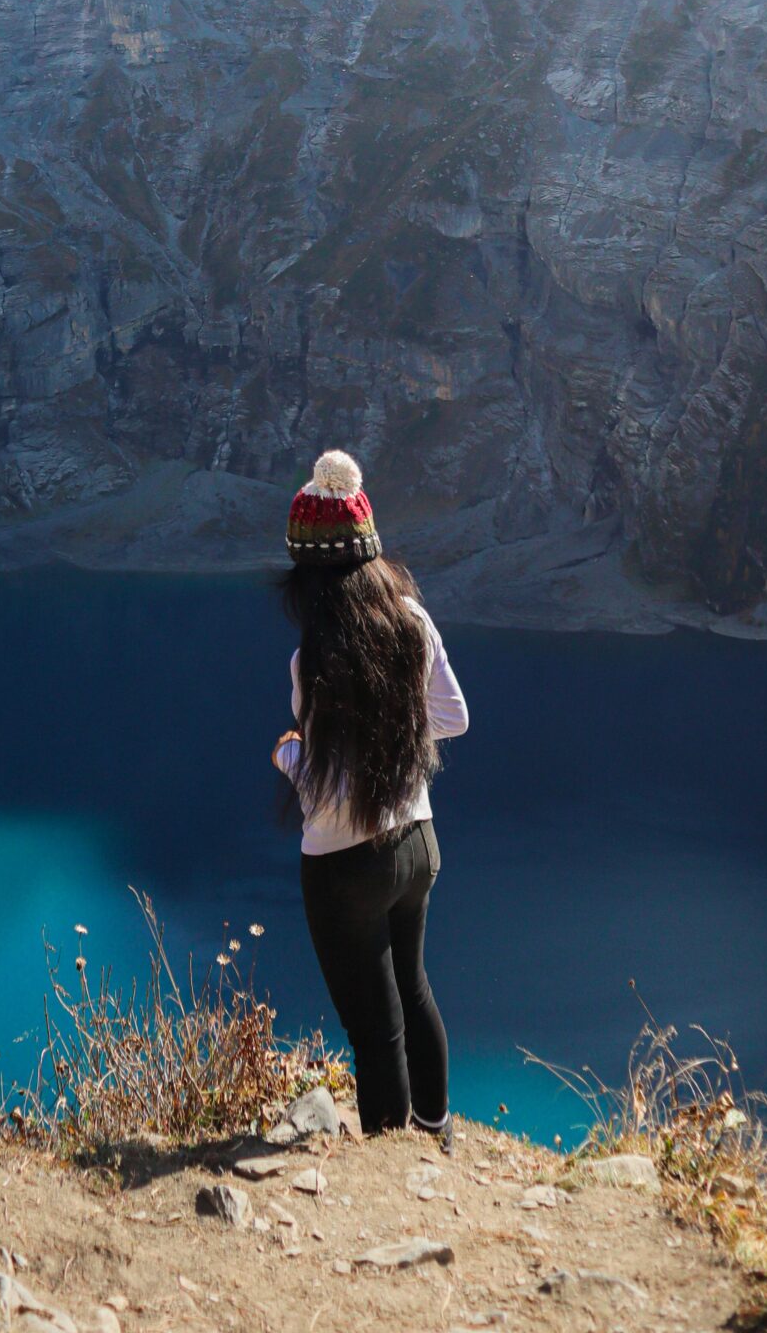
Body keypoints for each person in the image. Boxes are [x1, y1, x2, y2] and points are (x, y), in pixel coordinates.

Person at [273, 449, 469, 1141]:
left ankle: (392, 1158)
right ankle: (435, 1131)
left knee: (374, 1026)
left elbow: (320, 786)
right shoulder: (412, 620)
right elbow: (452, 718)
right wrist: (395, 727)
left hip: (342, 864)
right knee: (414, 990)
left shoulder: (311, 658)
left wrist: (288, 756)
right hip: (418, 842)